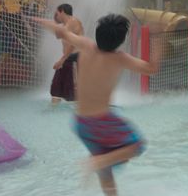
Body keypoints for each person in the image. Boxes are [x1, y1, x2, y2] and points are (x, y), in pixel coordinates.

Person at [34, 14, 162, 195]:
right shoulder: (120, 58)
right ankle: (98, 162)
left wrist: (40, 21)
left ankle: (101, 163)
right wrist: (157, 40)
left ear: (97, 33)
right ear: (121, 41)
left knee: (106, 174)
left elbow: (60, 31)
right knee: (136, 145)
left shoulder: (86, 45)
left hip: (81, 124)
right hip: (101, 123)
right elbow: (151, 69)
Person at [49, 4, 84, 103]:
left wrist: (61, 60)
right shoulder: (65, 25)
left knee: (74, 92)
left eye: (57, 13)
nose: (56, 15)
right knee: (56, 89)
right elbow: (57, 36)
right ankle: (52, 114)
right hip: (67, 59)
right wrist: (56, 21)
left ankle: (80, 114)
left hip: (75, 59)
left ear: (62, 11)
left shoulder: (73, 22)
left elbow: (74, 44)